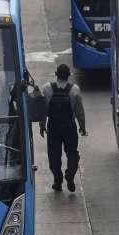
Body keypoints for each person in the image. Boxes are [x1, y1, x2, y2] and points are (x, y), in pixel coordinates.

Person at [40, 64, 87, 192]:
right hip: (69, 126)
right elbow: (79, 112)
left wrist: (42, 124)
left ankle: (58, 180)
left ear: (56, 74)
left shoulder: (47, 88)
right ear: (69, 75)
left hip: (53, 126)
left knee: (54, 155)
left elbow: (43, 110)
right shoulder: (75, 90)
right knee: (72, 152)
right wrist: (82, 127)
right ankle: (70, 174)